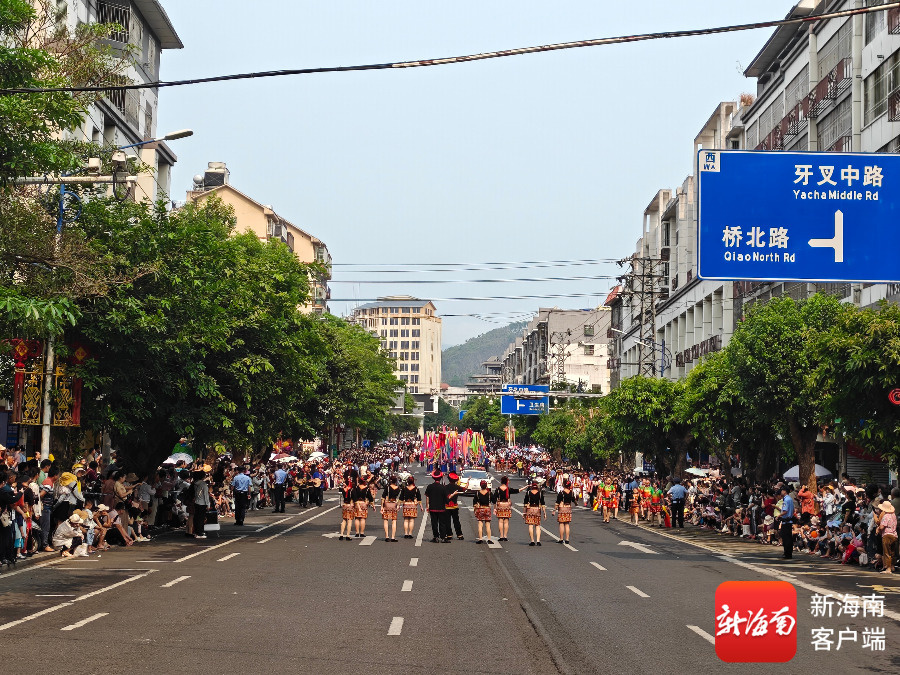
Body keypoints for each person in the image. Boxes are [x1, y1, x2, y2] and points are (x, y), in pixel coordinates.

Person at [425, 470, 449, 543]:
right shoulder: (443, 487)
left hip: (432, 507)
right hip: (441, 508)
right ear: (440, 478)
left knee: (434, 523)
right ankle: (443, 537)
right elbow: (446, 498)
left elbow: (427, 497)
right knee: (442, 523)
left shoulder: (430, 487)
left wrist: (427, 506)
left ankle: (436, 537)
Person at [876, 501, 897, 574]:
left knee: (887, 552)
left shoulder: (886, 516)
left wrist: (878, 528)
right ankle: (892, 566)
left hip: (887, 535)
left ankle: (888, 568)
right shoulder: (893, 515)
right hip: (894, 535)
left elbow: (882, 527)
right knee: (892, 552)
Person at [523, 480, 546, 546]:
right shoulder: (540, 494)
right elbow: (543, 504)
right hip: (537, 509)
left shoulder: (528, 493)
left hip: (530, 509)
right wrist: (544, 513)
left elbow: (525, 504)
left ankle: (532, 541)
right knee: (537, 525)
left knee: (530, 525)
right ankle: (538, 541)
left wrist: (524, 513)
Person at [554, 480, 576, 545]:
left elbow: (557, 502)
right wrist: (576, 503)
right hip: (568, 508)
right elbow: (574, 500)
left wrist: (554, 510)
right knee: (567, 524)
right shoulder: (571, 493)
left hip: (562, 508)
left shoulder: (561, 493)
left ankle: (561, 539)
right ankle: (567, 539)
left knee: (561, 523)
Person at [381, 475, 402, 542]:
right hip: (394, 504)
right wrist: (398, 505)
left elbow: (383, 497)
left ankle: (387, 536)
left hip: (387, 504)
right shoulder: (398, 488)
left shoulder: (387, 487)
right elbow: (399, 498)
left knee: (386, 520)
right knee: (394, 521)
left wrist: (382, 506)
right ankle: (393, 537)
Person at [472, 480, 494, 544]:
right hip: (487, 509)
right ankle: (489, 539)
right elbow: (494, 501)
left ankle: (480, 539)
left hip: (480, 509)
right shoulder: (489, 493)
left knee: (480, 524)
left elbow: (474, 503)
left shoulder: (477, 493)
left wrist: (475, 510)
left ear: (480, 485)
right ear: (486, 486)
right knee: (488, 524)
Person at [445, 472, 464, 540]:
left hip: (447, 506)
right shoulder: (457, 487)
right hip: (455, 506)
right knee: (456, 521)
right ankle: (459, 534)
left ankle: (449, 534)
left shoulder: (445, 487)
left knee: (447, 521)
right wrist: (467, 481)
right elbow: (464, 489)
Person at [191, 470, 210, 539]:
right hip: (202, 503)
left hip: (196, 502)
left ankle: (196, 532)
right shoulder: (203, 484)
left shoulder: (195, 484)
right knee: (201, 518)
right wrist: (208, 504)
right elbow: (206, 495)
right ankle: (200, 532)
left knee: (196, 518)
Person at [779, 485, 795, 559]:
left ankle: (787, 553)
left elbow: (785, 511)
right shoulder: (790, 499)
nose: (781, 492)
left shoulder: (786, 500)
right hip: (789, 520)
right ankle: (789, 553)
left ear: (785, 491)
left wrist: (778, 516)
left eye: (782, 490)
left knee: (786, 538)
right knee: (789, 537)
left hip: (786, 521)